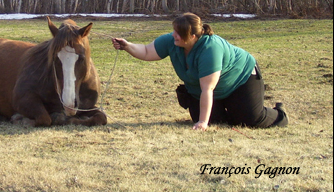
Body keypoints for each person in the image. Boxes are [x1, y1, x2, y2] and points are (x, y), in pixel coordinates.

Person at [112, 12, 288, 131]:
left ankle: (279, 114)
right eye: (174, 30)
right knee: (215, 121)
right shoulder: (171, 41)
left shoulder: (210, 49)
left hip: (240, 79)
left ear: (193, 36)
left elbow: (207, 89)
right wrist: (127, 46)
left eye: (179, 33)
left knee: (250, 119)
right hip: (209, 90)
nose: (174, 35)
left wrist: (203, 123)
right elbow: (146, 51)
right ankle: (227, 112)